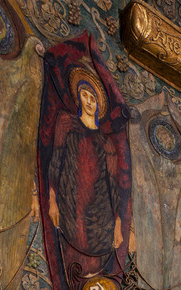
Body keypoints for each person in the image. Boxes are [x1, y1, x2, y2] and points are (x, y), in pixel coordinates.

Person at [47, 71, 124, 279]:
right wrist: (52, 200)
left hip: (99, 215)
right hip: (71, 205)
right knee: (72, 262)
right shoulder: (66, 124)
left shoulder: (106, 143)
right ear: (78, 97)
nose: (89, 102)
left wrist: (117, 224)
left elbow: (113, 187)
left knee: (95, 269)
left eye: (93, 98)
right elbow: (55, 162)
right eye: (85, 95)